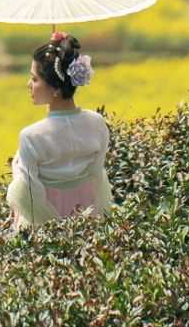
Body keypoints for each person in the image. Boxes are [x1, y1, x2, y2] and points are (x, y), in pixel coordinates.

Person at [6, 32, 112, 229]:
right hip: (87, 207)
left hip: (48, 209)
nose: (29, 84)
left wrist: (16, 167)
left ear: (55, 87)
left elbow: (30, 193)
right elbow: (96, 174)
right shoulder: (97, 123)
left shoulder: (31, 136)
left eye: (34, 78)